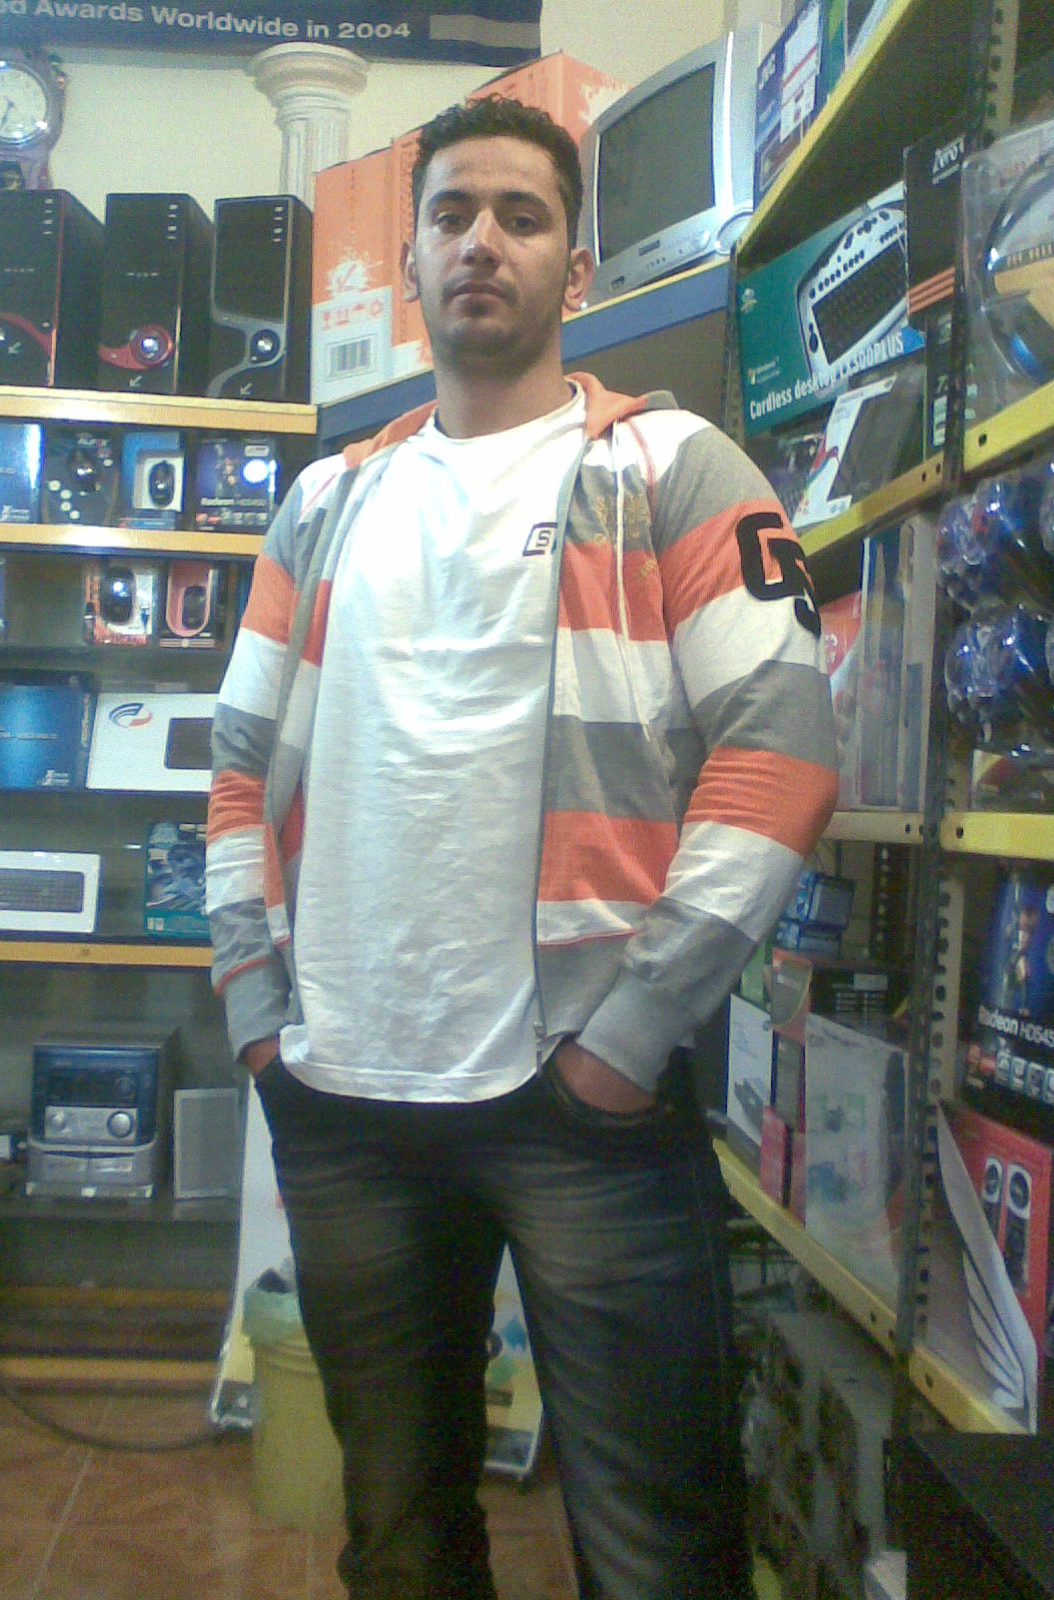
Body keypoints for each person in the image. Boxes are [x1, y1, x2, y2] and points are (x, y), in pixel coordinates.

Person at [207, 94, 838, 1600]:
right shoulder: (324, 503)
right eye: (451, 215)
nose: (480, 241)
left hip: (582, 1103)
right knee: (399, 1537)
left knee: (658, 1548)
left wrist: (630, 1034)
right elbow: (237, 771)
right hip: (342, 1099)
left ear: (579, 268)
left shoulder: (676, 470)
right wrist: (256, 1014)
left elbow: (782, 755)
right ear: (412, 264)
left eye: (521, 215)